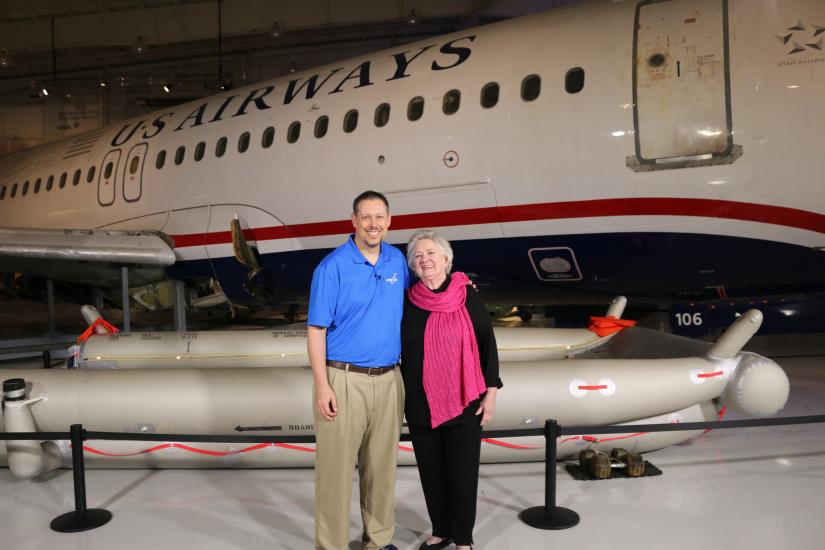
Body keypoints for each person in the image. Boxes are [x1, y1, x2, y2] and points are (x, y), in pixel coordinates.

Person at [307, 190, 409, 550]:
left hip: (389, 380)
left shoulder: (397, 262)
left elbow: (423, 298)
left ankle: (378, 541)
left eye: (379, 217)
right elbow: (316, 330)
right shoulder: (332, 267)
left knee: (382, 470)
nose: (373, 225)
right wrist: (323, 386)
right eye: (366, 217)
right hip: (344, 379)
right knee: (335, 472)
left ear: (390, 220)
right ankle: (330, 545)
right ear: (353, 221)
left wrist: (463, 288)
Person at [400, 229, 502, 550]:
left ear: (446, 259)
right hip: (420, 402)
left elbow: (487, 342)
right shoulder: (406, 301)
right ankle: (441, 529)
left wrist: (492, 389)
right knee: (431, 474)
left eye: (431, 253)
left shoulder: (466, 294)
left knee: (461, 474)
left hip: (464, 400)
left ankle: (464, 538)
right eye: (418, 256)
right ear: (412, 266)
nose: (424, 259)